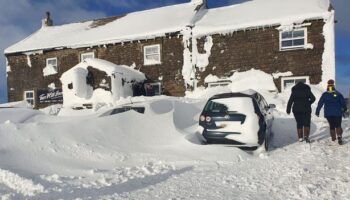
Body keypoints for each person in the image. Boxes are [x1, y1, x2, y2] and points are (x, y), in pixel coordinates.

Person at [316, 79, 347, 145]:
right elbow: (343, 103)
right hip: (338, 113)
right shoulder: (338, 94)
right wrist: (344, 109)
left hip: (328, 113)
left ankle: (333, 138)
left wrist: (317, 111)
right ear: (333, 85)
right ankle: (339, 137)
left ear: (328, 85)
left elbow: (320, 103)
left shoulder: (325, 94)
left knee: (332, 125)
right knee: (338, 125)